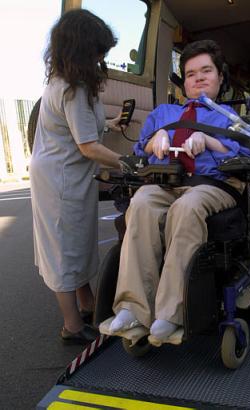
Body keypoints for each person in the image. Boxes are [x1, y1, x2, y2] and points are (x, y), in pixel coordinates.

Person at [109, 39, 250, 341]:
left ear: (220, 78)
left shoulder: (231, 118)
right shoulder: (163, 113)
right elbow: (140, 148)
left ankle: (172, 313)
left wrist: (211, 141)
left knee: (186, 208)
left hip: (213, 185)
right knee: (143, 202)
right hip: (167, 182)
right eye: (190, 73)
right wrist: (156, 138)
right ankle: (134, 308)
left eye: (206, 71)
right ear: (183, 82)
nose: (198, 78)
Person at [30, 9, 123, 344]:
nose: (102, 58)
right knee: (64, 250)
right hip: (61, 178)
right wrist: (125, 163)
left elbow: (80, 127)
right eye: (99, 51)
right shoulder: (73, 88)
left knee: (78, 243)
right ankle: (72, 326)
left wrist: (109, 124)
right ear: (83, 50)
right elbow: (87, 146)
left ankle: (88, 306)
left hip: (63, 173)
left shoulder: (63, 82)